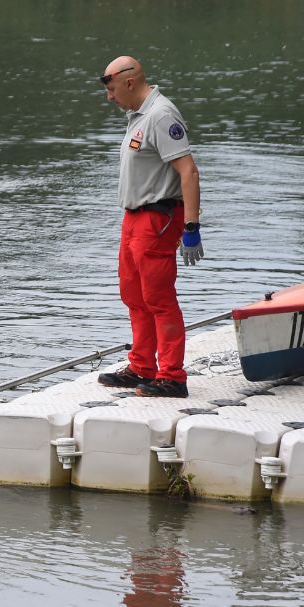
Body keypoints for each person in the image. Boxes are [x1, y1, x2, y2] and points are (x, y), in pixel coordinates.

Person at [95, 56, 203, 399]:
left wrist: (191, 227)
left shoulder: (161, 115)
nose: (109, 97)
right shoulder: (138, 116)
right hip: (133, 218)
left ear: (129, 82)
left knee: (158, 297)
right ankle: (142, 365)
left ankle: (172, 375)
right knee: (133, 294)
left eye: (112, 90)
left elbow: (188, 171)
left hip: (157, 219)